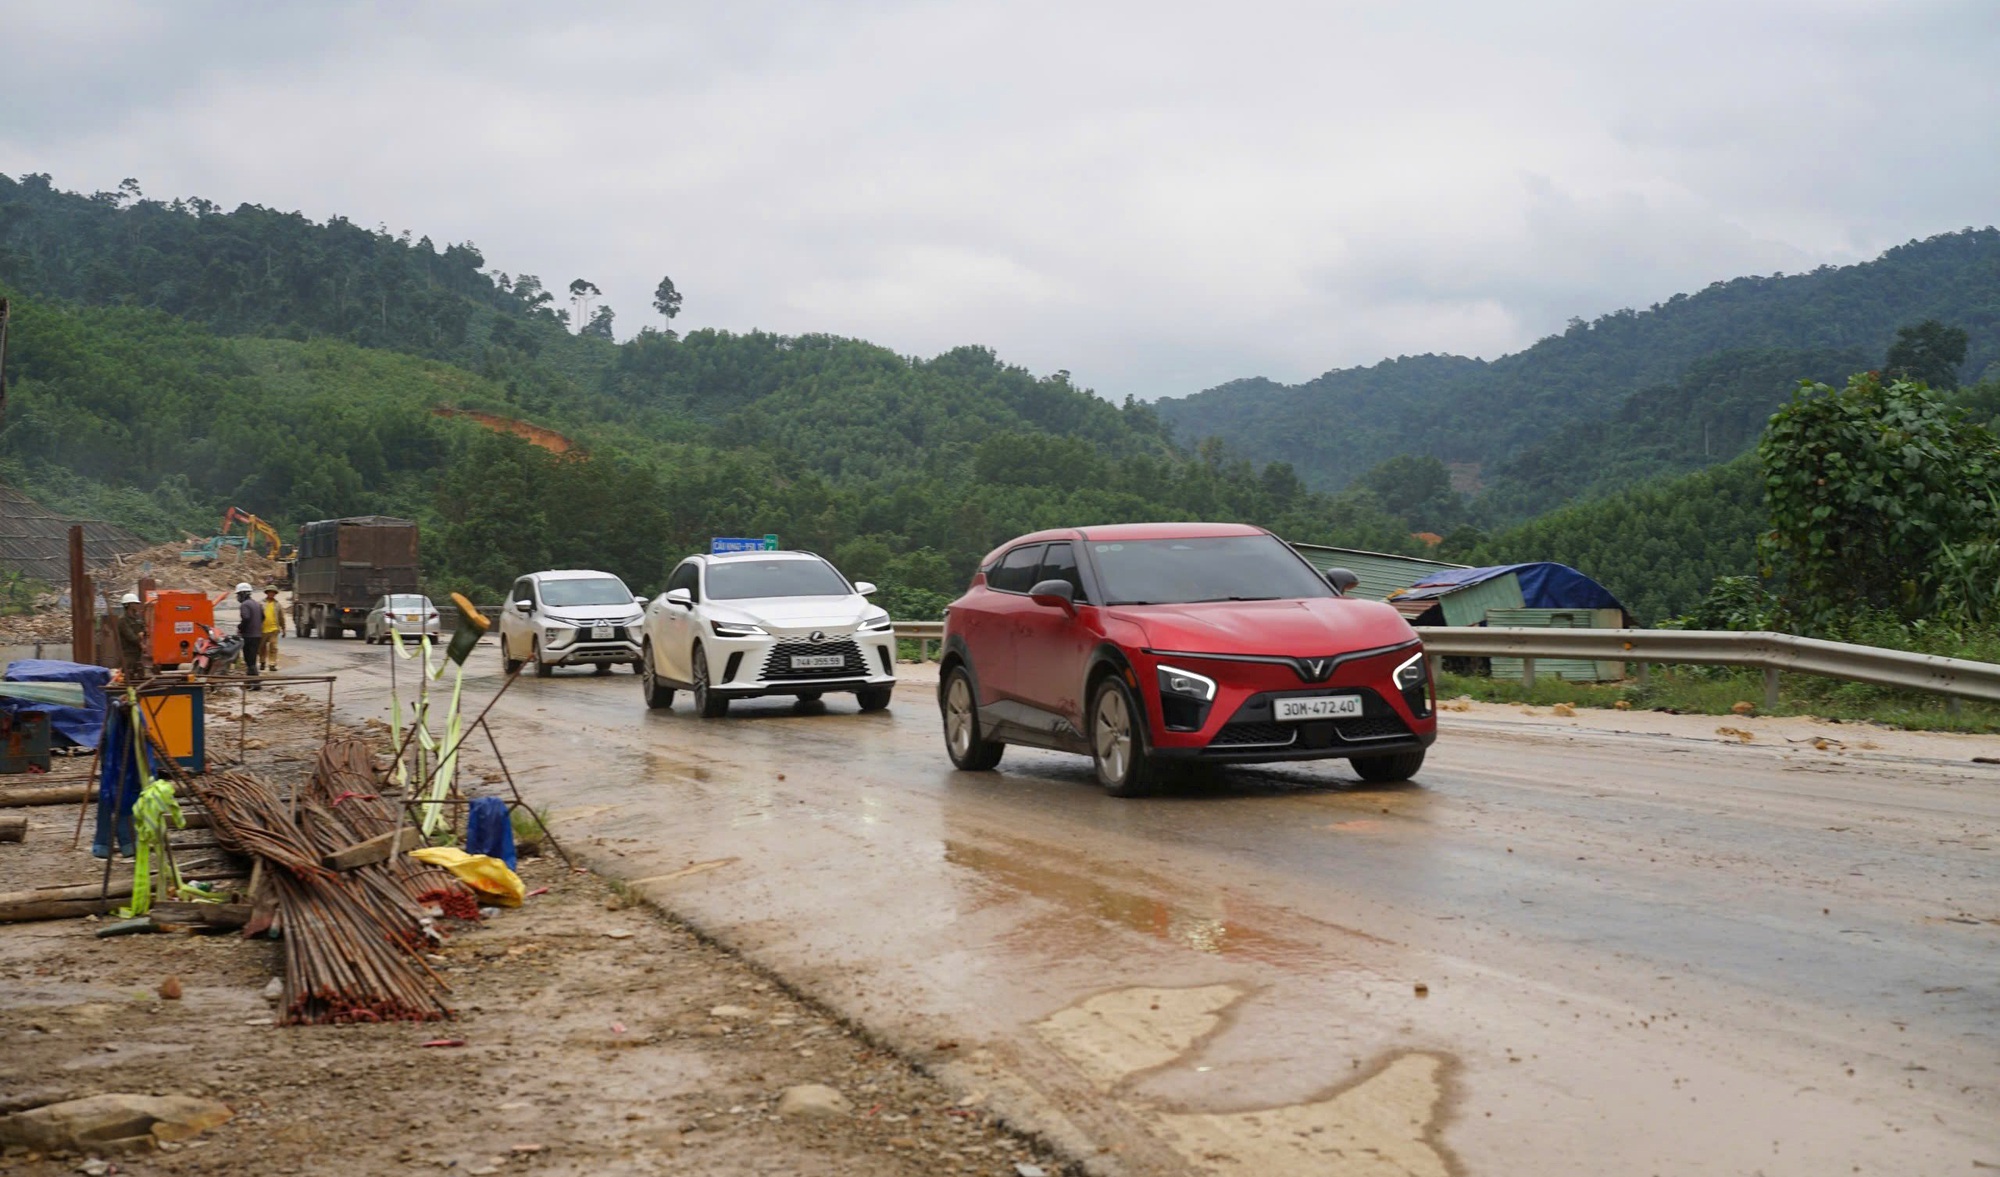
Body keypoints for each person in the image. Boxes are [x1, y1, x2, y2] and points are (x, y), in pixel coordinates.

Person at [114, 592, 151, 681]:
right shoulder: (122, 621)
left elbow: (144, 631)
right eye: (134, 604)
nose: (137, 606)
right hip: (128, 655)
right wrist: (140, 637)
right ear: (128, 605)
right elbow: (131, 637)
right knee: (128, 677)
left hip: (138, 654)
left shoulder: (137, 619)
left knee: (139, 676)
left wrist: (144, 636)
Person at [234, 582, 262, 686]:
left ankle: (255, 683)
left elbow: (245, 618)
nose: (238, 597)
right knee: (253, 659)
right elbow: (263, 617)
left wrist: (241, 628)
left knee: (249, 660)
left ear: (242, 594)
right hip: (257, 635)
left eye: (238, 595)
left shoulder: (244, 605)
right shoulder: (256, 604)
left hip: (248, 636)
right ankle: (250, 682)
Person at [259, 586, 285, 671]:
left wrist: (283, 628)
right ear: (267, 593)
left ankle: (272, 664)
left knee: (273, 647)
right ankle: (262, 662)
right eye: (270, 592)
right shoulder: (260, 604)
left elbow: (281, 617)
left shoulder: (278, 605)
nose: (271, 594)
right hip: (262, 630)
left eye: (273, 592)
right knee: (262, 647)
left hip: (274, 629)